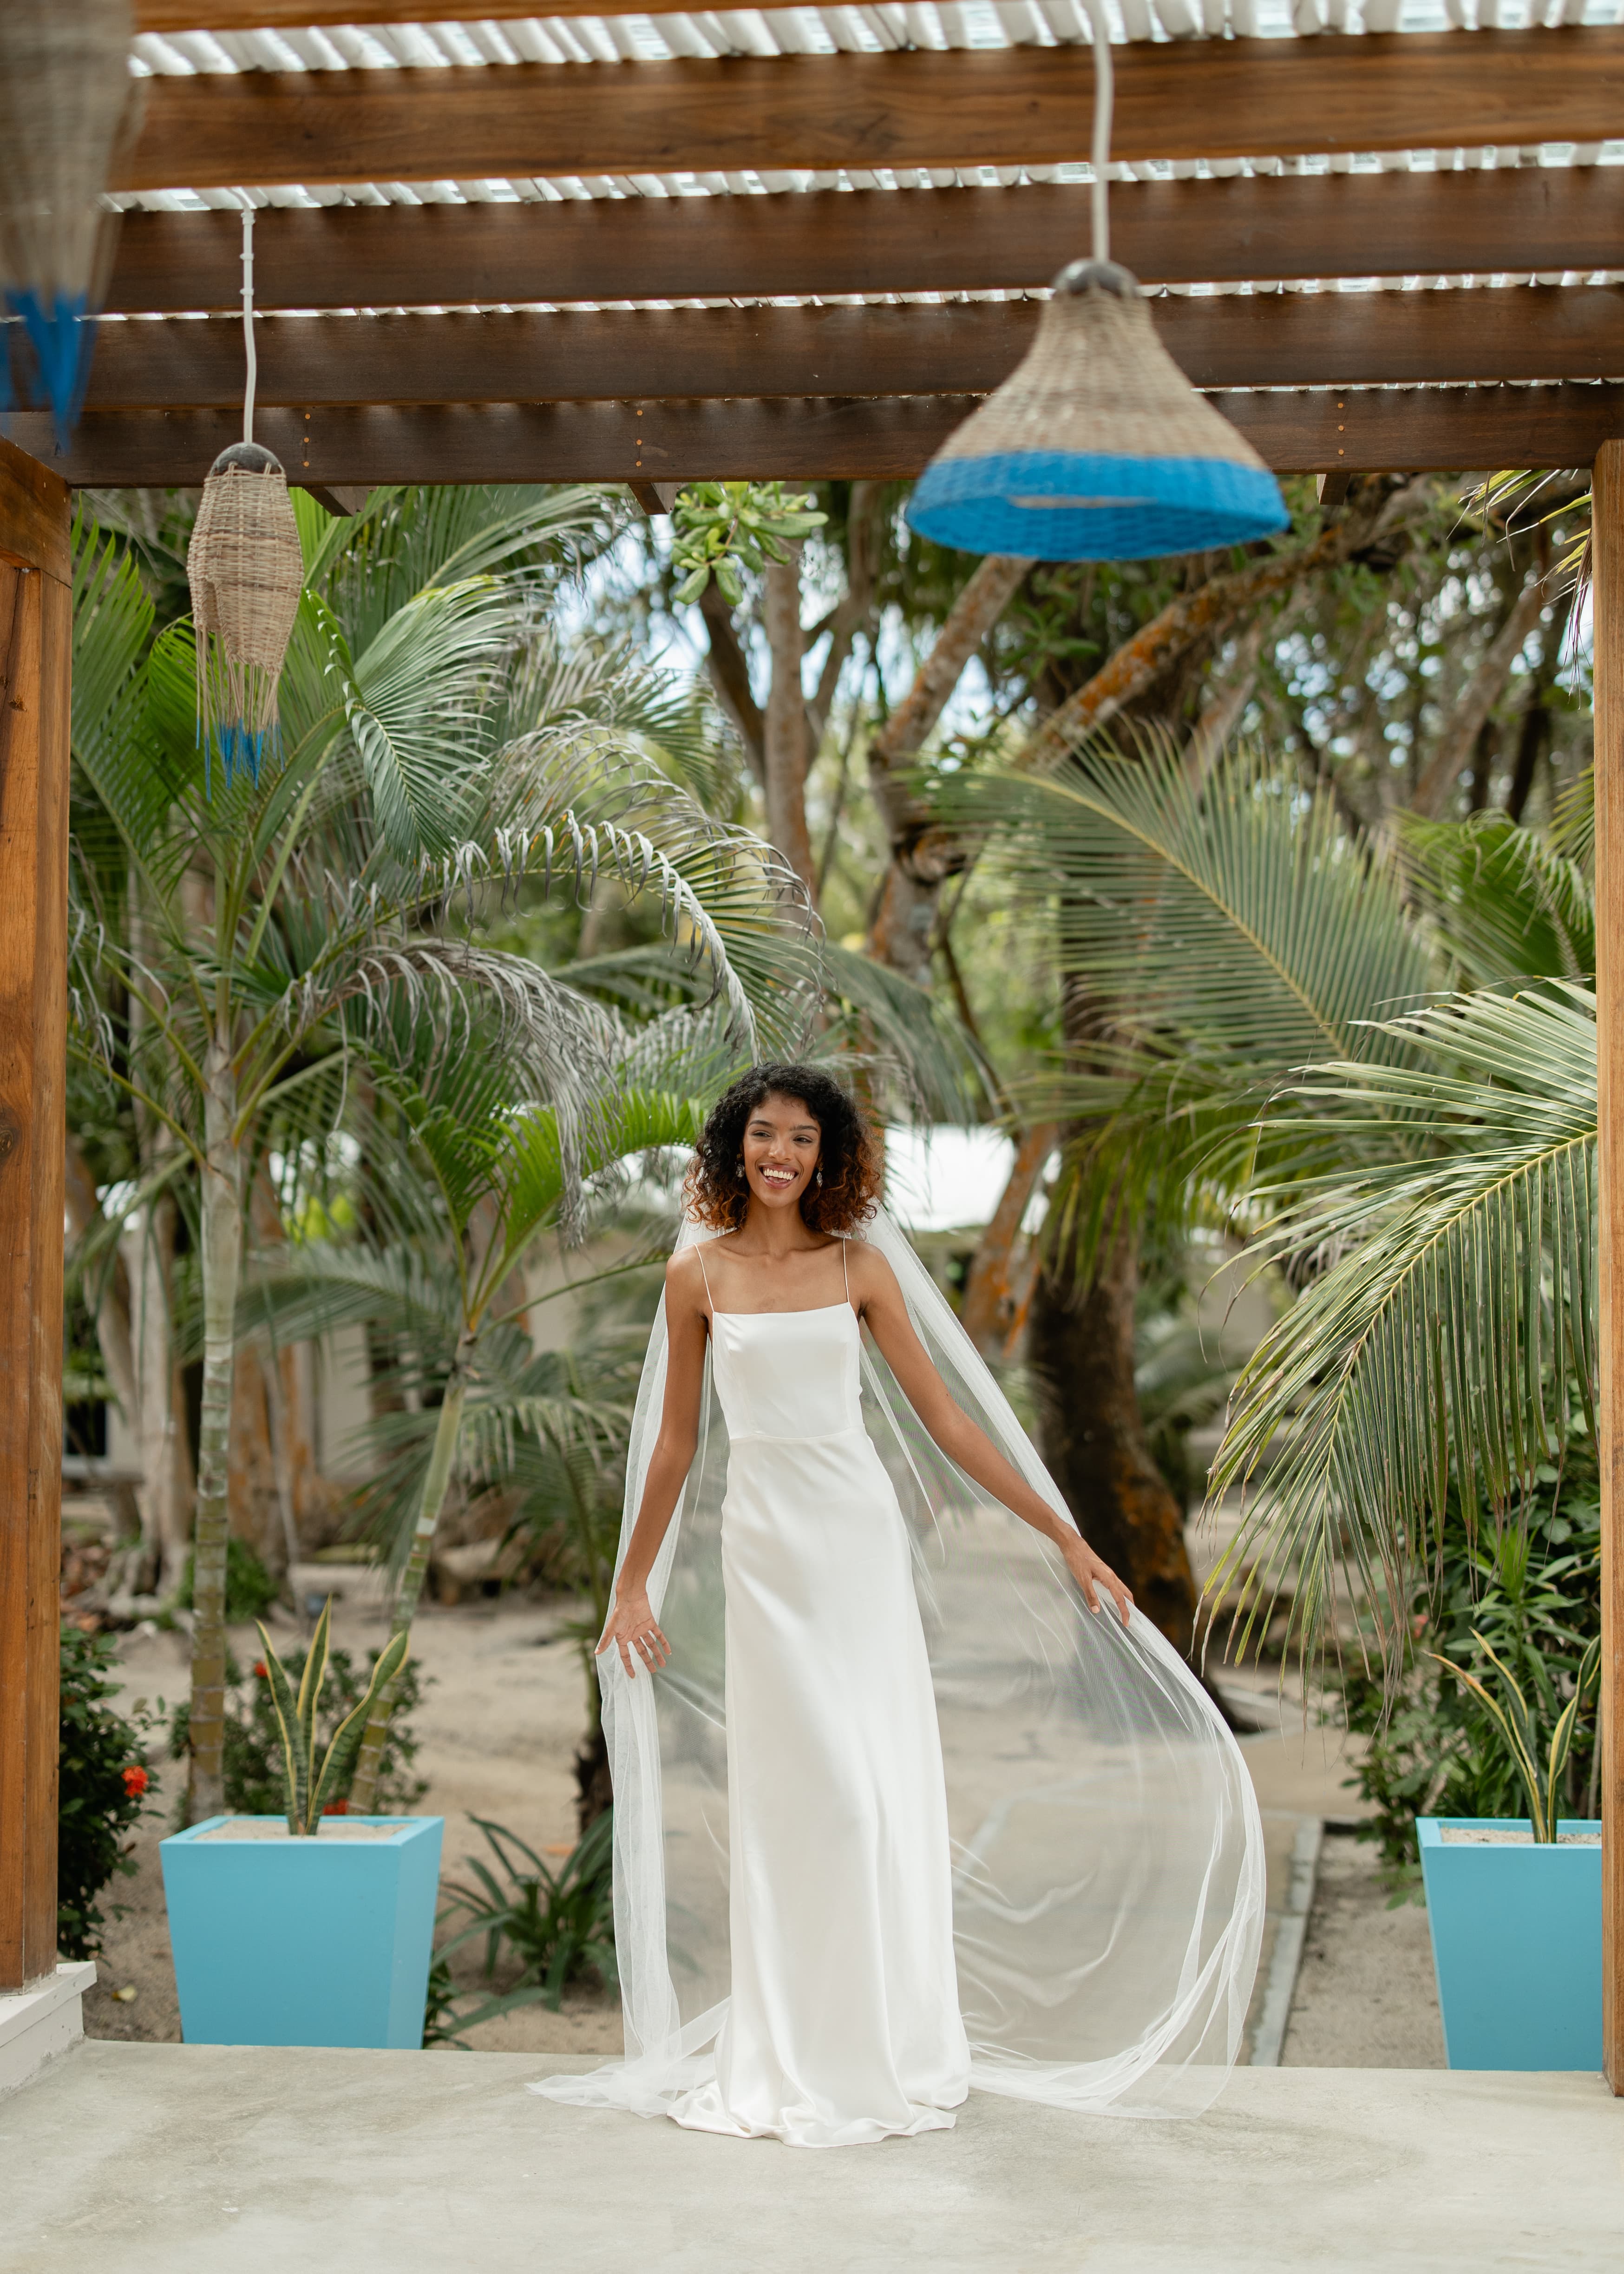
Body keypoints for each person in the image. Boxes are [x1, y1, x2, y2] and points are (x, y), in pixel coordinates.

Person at [534, 1063, 1264, 2149]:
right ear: (735, 1145)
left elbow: (954, 1425)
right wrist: (631, 1579)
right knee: (808, 1799)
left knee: (870, 1796)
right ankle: (795, 2051)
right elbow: (678, 1442)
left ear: (828, 1157)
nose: (780, 1154)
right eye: (763, 1134)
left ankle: (879, 2040)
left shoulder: (857, 1266)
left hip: (854, 1543)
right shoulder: (695, 1276)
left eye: (802, 1139)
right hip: (764, 1551)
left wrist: (1065, 1534)